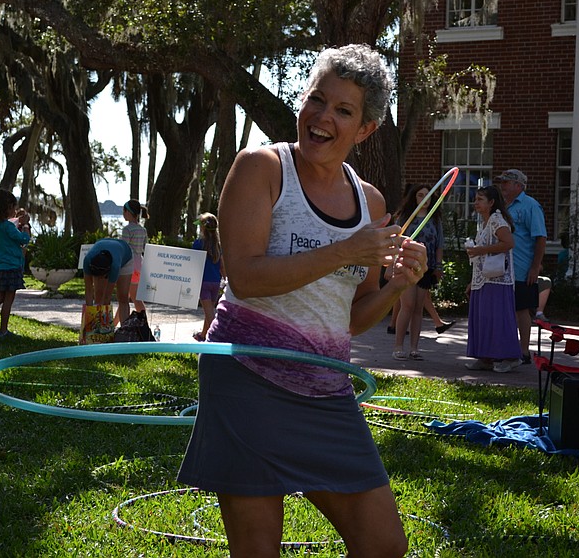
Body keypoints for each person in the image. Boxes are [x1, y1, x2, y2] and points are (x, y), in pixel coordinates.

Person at [177, 44, 424, 558]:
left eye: (343, 110)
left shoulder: (370, 202)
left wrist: (397, 286)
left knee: (384, 543)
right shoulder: (261, 168)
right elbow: (244, 278)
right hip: (246, 377)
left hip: (326, 389)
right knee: (259, 549)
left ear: (365, 130)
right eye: (317, 99)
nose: (322, 117)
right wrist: (344, 251)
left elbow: (352, 319)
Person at [465, 185, 521, 373]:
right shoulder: (485, 222)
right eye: (476, 199)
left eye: (480, 199)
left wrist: (481, 250)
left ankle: (509, 357)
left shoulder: (497, 220)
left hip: (497, 279)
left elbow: (508, 243)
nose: (476, 203)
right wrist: (472, 281)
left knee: (498, 318)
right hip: (483, 279)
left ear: (491, 202)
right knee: (484, 318)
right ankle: (485, 357)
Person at [495, 168, 546, 366]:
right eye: (502, 182)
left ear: (518, 186)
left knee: (521, 309)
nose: (503, 187)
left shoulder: (530, 206)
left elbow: (540, 238)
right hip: (502, 267)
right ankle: (506, 348)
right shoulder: (500, 206)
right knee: (505, 308)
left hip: (522, 267)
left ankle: (524, 351)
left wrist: (535, 267)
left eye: (506, 183)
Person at [391, 183, 444, 360]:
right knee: (407, 305)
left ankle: (414, 348)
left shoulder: (435, 219)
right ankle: (398, 346)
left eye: (428, 196)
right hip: (407, 266)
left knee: (418, 308)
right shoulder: (406, 217)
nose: (425, 199)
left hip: (426, 268)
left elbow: (439, 246)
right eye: (420, 195)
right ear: (414, 197)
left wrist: (438, 266)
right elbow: (395, 240)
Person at [0, 189, 31, 337]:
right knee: (8, 300)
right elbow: (24, 239)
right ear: (9, 207)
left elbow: (8, 229)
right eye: (14, 208)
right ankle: (3, 330)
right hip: (12, 266)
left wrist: (17, 221)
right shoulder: (8, 226)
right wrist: (26, 225)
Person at [82, 238, 134, 325]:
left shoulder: (115, 266)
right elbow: (88, 290)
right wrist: (89, 315)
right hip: (106, 248)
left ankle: (124, 330)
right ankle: (95, 329)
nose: (99, 279)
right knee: (98, 295)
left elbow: (107, 297)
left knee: (123, 296)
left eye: (101, 277)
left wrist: (104, 324)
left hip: (125, 256)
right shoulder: (87, 261)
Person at [192, 212, 225, 341]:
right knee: (209, 310)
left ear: (203, 228)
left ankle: (215, 339)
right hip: (216, 282)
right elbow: (222, 265)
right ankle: (203, 336)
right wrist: (226, 279)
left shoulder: (198, 243)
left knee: (209, 313)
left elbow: (192, 262)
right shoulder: (218, 245)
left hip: (203, 282)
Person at [120, 199, 149, 316]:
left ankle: (144, 323)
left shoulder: (127, 229)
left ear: (127, 212)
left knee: (134, 298)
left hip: (129, 265)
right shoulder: (143, 230)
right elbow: (144, 246)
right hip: (139, 264)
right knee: (125, 298)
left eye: (124, 211)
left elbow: (124, 248)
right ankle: (115, 323)